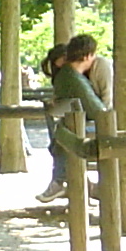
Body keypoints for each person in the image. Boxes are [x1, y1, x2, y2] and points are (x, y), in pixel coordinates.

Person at [37, 35, 109, 200]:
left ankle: (61, 181)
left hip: (68, 129)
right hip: (85, 130)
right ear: (87, 56)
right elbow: (99, 112)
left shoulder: (64, 77)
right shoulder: (75, 79)